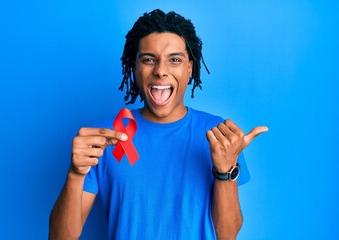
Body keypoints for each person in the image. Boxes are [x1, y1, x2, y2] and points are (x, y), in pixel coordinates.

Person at [49, 9, 268, 240]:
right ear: (134, 67)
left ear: (190, 68)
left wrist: (225, 172)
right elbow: (60, 238)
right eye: (148, 60)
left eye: (174, 60)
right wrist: (75, 174)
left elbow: (227, 234)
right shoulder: (105, 138)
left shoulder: (219, 136)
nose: (161, 71)